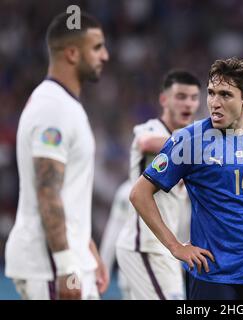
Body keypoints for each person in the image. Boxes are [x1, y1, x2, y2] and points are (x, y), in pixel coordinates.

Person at [129, 57, 243, 300]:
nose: (214, 102)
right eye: (211, 93)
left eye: (225, 94)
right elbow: (139, 193)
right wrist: (175, 246)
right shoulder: (189, 140)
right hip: (210, 276)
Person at [5, 11, 109, 300]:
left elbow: (67, 192)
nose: (105, 56)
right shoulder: (53, 108)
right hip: (51, 264)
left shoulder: (64, 105)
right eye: (97, 47)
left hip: (68, 259)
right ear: (73, 53)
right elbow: (47, 190)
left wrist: (87, 250)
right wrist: (66, 266)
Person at [115, 70, 201, 300]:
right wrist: (204, 146)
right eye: (181, 96)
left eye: (193, 98)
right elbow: (145, 143)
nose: (188, 104)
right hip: (144, 246)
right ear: (164, 99)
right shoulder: (152, 129)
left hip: (166, 248)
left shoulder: (192, 145)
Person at [99, 180, 132, 300]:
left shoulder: (189, 189)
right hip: (133, 274)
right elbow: (113, 233)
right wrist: (103, 270)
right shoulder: (127, 191)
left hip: (174, 272)